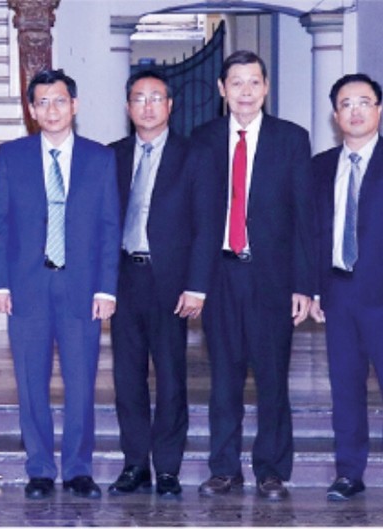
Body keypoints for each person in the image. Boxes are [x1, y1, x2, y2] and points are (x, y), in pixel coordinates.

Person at [0, 69, 120, 500]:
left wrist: (107, 288)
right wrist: (0, 283)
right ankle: (40, 469)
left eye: (59, 101)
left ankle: (79, 469)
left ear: (75, 105)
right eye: (42, 102)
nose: (51, 110)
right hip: (27, 285)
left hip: (82, 288)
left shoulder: (100, 159)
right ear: (31, 110)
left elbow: (108, 226)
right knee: (31, 383)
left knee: (82, 383)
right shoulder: (13, 156)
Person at [192, 50, 314, 501]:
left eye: (254, 82)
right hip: (220, 275)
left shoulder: (291, 140)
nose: (245, 90)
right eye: (236, 82)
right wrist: (194, 281)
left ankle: (271, 471)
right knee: (223, 377)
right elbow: (194, 218)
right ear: (222, 90)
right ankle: (224, 468)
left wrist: (305, 284)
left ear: (265, 88)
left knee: (271, 378)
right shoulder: (202, 140)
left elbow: (305, 217)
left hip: (272, 279)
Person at [106, 71, 221, 497]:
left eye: (157, 98)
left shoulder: (195, 155)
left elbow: (206, 225)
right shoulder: (112, 156)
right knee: (127, 377)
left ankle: (167, 467)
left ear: (170, 106)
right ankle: (135, 463)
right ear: (128, 107)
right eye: (139, 98)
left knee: (172, 376)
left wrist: (197, 285)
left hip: (172, 283)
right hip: (123, 278)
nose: (148, 106)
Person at [309, 73, 383, 501]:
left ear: (378, 110)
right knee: (345, 389)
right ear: (336, 115)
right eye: (346, 104)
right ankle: (348, 472)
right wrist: (314, 287)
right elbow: (311, 233)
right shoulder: (319, 167)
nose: (355, 111)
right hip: (338, 295)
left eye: (364, 102)